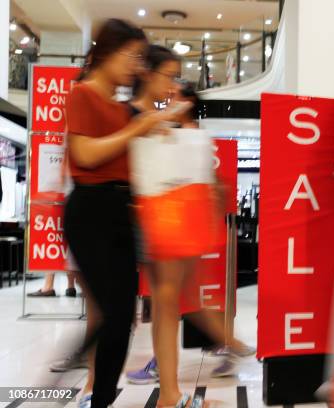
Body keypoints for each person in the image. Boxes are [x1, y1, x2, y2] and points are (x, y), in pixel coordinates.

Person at [123, 46, 252, 404]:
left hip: (167, 222)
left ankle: (171, 388)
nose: (172, 86)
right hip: (161, 221)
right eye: (168, 76)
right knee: (172, 302)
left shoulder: (157, 119)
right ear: (148, 74)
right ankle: (219, 352)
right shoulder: (138, 115)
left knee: (170, 302)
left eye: (176, 80)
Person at [64, 19, 180, 408]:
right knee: (113, 313)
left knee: (122, 318)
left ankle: (100, 397)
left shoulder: (122, 106)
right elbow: (84, 155)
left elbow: (150, 114)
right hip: (90, 211)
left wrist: (163, 111)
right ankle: (84, 375)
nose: (135, 65)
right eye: (131, 56)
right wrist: (142, 126)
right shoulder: (83, 95)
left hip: (121, 213)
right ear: (107, 53)